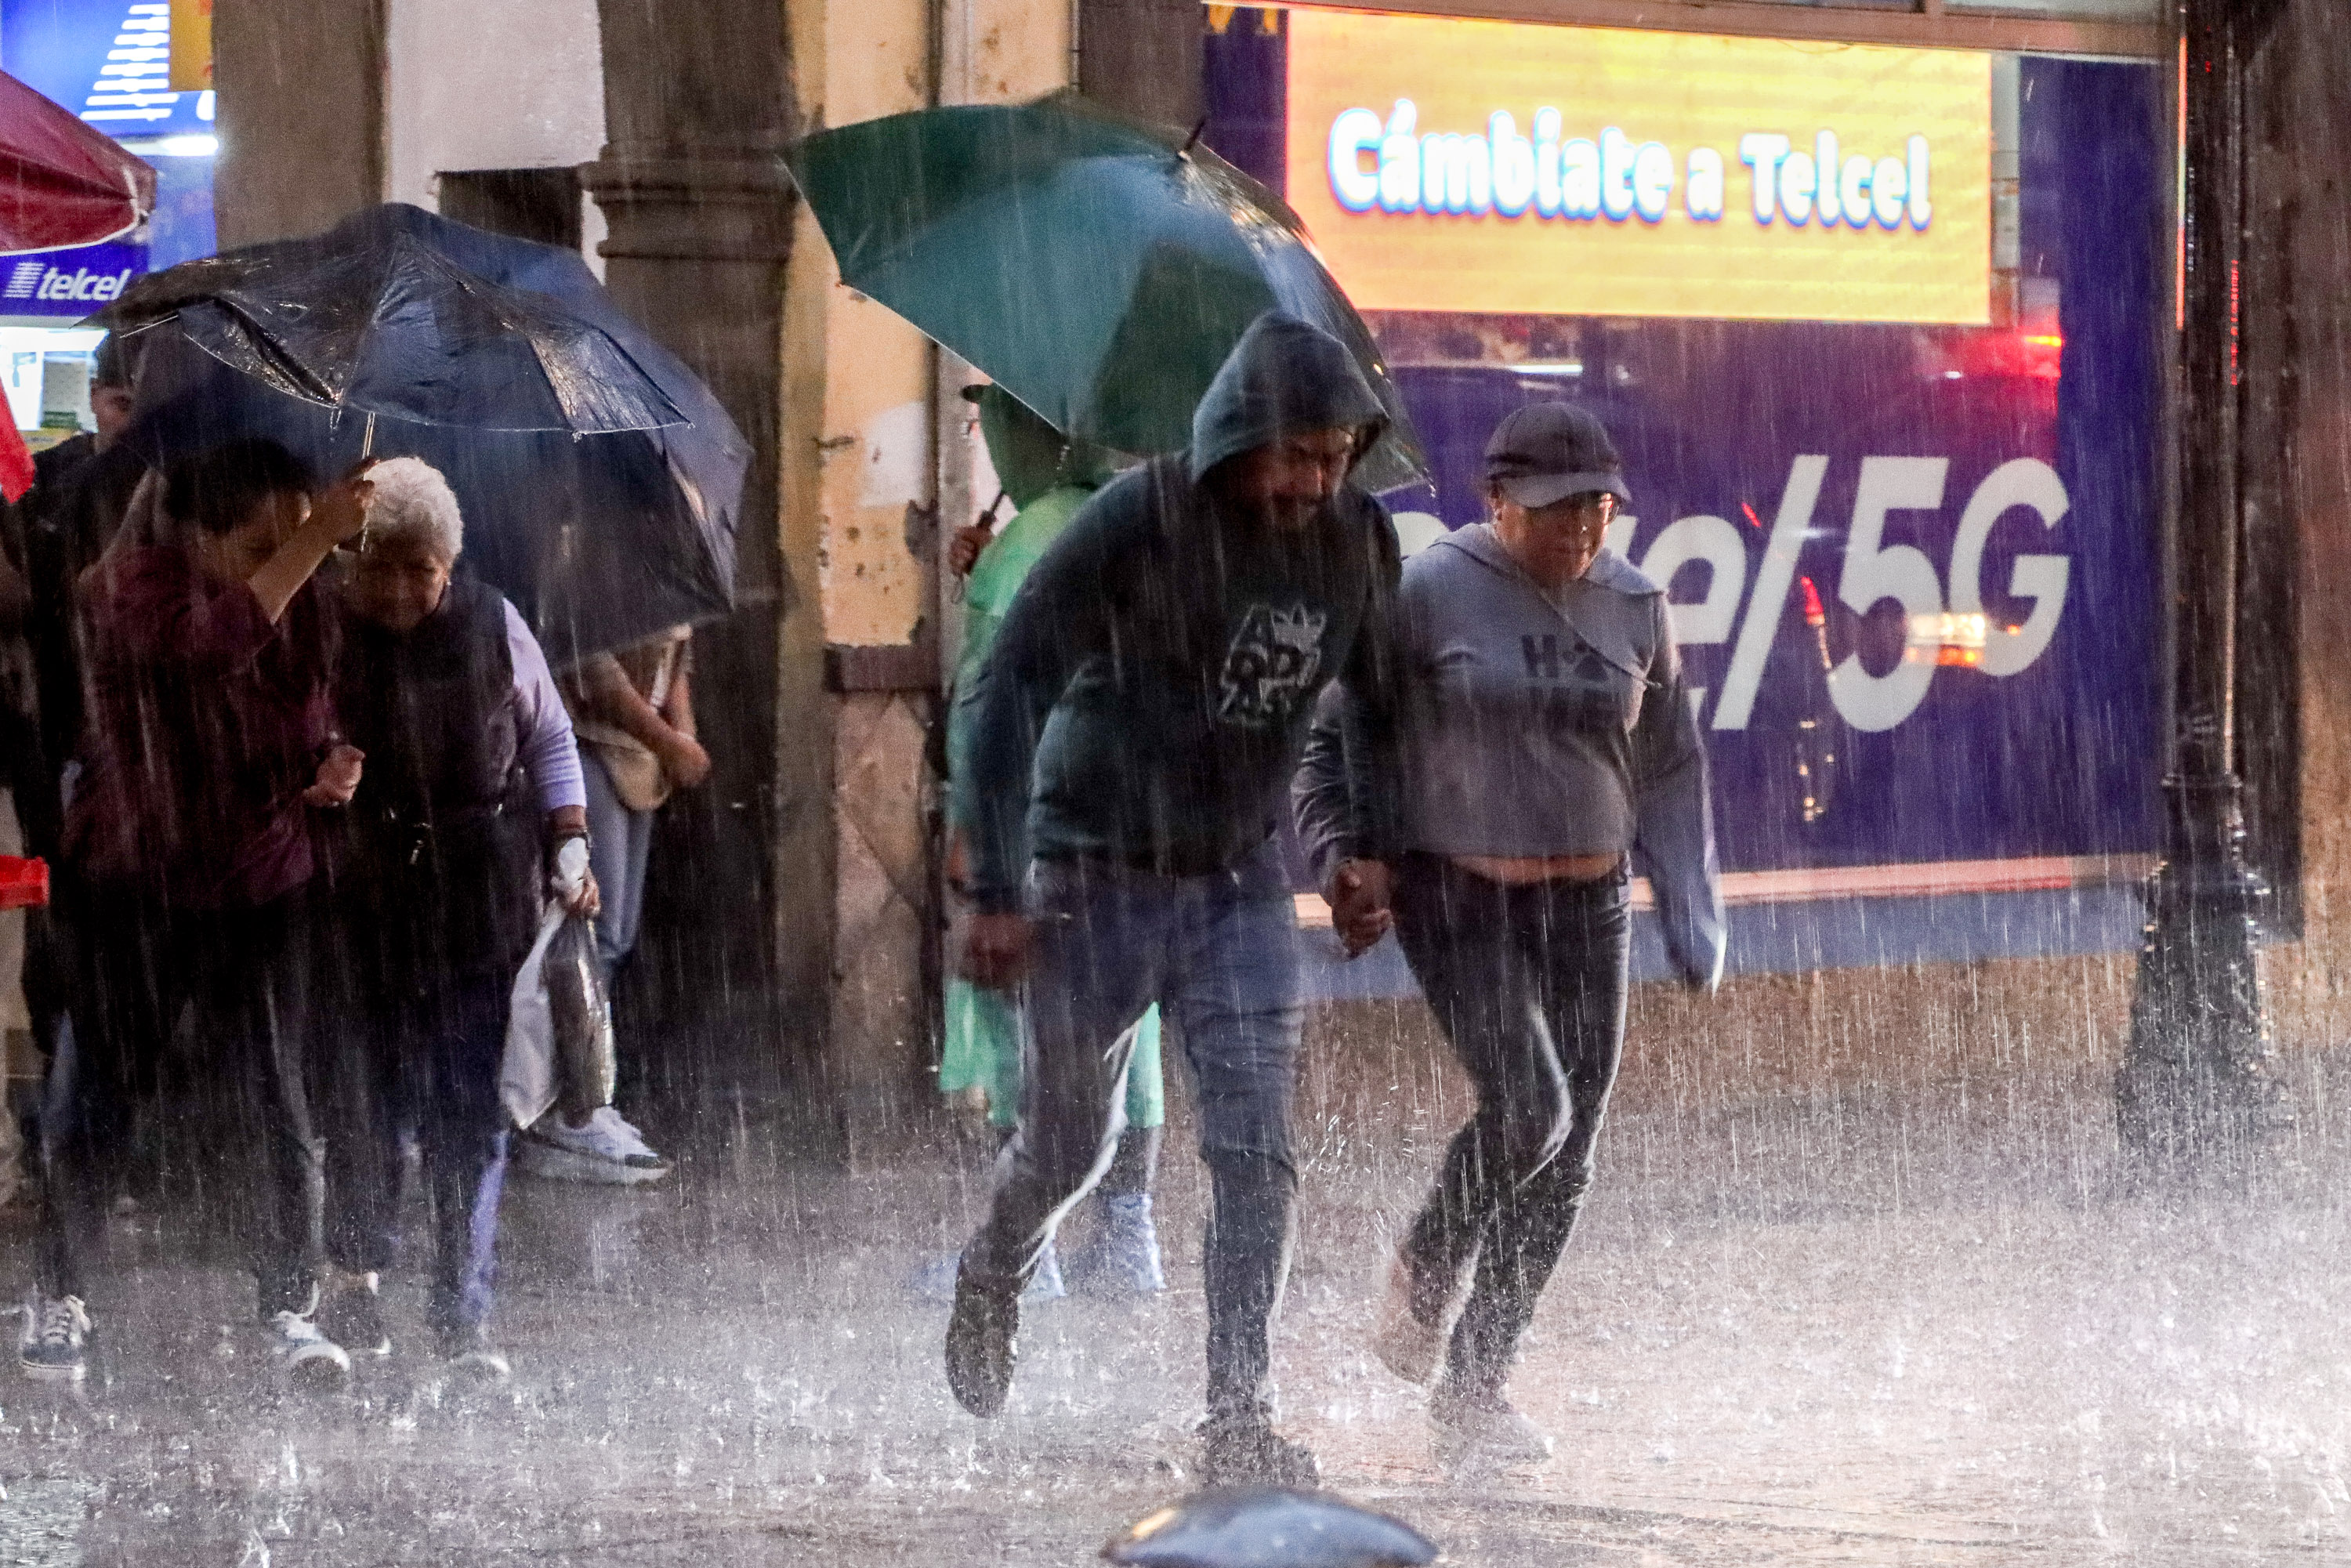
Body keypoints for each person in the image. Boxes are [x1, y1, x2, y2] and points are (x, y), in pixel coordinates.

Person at [945, 313, 1400, 1487]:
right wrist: (995, 885)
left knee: (1257, 1148)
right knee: (1067, 1145)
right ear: (1238, 434)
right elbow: (1006, 694)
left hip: (1239, 881)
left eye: (1339, 454)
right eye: (1298, 453)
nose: (1318, 479)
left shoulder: (1357, 543)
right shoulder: (1137, 522)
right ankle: (995, 1266)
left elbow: (1374, 707)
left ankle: (1239, 1408)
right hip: (1094, 870)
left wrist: (1364, 848)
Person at [1295, 401, 1724, 1465]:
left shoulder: (1636, 604)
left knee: (1571, 1147)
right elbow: (1340, 735)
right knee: (1531, 1104)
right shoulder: (1431, 589)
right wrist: (1345, 855)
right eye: (1553, 508)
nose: (1581, 527)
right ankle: (1430, 1257)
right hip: (1460, 892)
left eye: (1598, 506)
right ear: (1495, 502)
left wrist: (1690, 899)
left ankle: (1478, 1385)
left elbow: (1670, 761)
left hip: (1587, 901)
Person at [21, 438, 373, 1384]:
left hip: (263, 879)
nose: (284, 562)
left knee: (275, 1094)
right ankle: (61, 1293)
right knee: (104, 1091)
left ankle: (288, 1305)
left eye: (292, 543)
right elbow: (207, 646)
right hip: (140, 881)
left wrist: (334, 761)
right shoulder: (130, 591)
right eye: (259, 545)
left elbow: (315, 711)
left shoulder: (306, 604)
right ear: (196, 538)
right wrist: (314, 543)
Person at [315, 458, 598, 1380]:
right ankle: (357, 1282)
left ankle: (463, 1308)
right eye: (380, 565)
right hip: (362, 886)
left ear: (450, 563)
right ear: (350, 562)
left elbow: (550, 736)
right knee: (368, 1099)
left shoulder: (492, 621)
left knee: (472, 1104)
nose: (400, 588)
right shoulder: (320, 629)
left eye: (421, 568)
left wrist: (571, 844)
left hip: (481, 883)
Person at [932, 384, 1166, 1299]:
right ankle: (1127, 1233)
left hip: (1030, 826)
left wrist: (973, 830)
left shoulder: (1029, 543)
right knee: (1123, 1026)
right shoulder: (1135, 523)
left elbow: (993, 704)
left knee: (1019, 1027)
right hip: (1123, 825)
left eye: (999, 419)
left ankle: (1028, 1255)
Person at [527, 625, 705, 1182]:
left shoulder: (668, 567)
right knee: (589, 936)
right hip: (592, 746)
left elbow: (679, 659)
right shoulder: (600, 561)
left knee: (618, 937)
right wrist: (668, 740)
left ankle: (584, 1095)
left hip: (644, 760)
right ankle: (567, 1107)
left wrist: (686, 736)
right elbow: (595, 672)